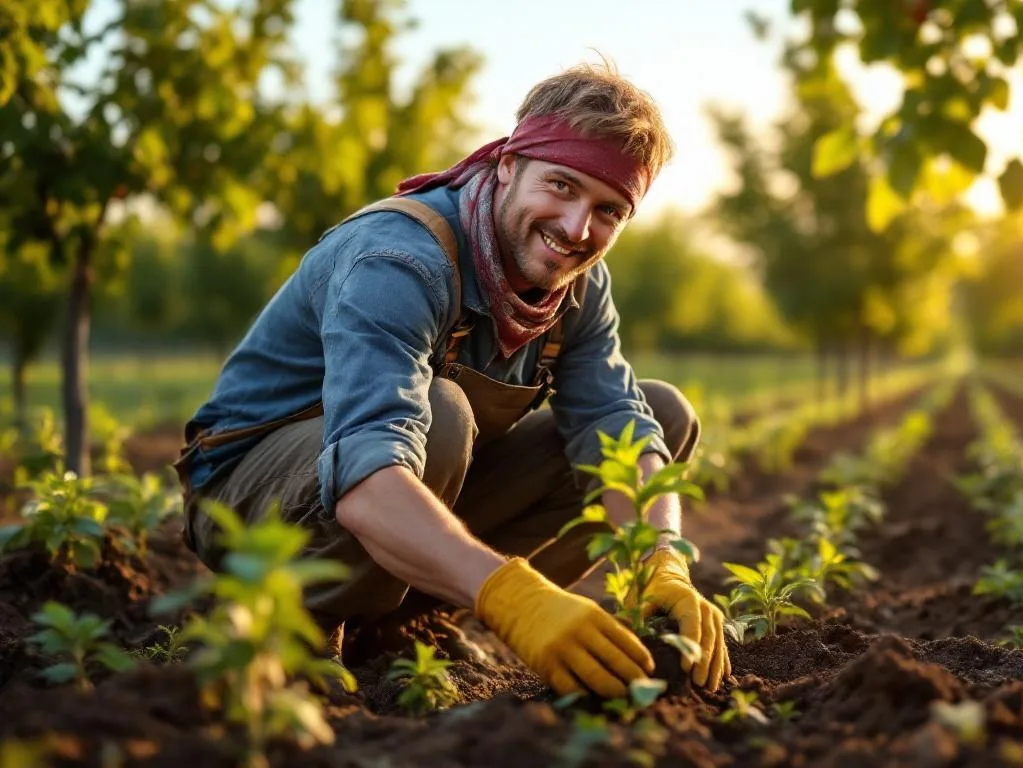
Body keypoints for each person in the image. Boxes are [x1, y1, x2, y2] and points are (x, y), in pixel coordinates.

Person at [170, 62, 729, 698]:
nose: (577, 229)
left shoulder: (577, 287)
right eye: (561, 186)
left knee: (659, 416)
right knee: (439, 415)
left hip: (388, 484)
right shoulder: (400, 259)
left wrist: (662, 560)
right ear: (508, 167)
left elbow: (615, 422)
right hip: (253, 497)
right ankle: (297, 622)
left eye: (608, 210)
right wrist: (514, 598)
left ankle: (399, 621)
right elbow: (365, 473)